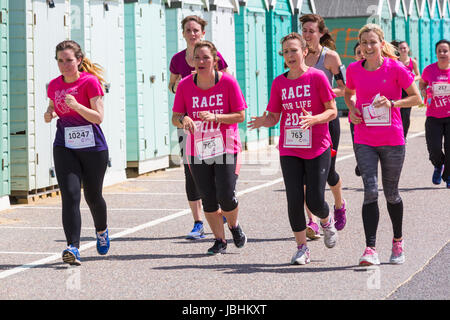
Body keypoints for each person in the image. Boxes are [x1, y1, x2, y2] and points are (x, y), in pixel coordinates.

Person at [248, 32, 338, 265]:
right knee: (294, 199)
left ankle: (327, 221)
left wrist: (315, 119)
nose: (290, 55)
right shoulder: (279, 82)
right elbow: (275, 117)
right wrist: (263, 121)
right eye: (286, 51)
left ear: (304, 52)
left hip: (317, 146)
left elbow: (333, 111)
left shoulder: (317, 78)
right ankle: (302, 248)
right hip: (290, 147)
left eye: (294, 50)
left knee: (315, 200)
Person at [344, 24, 421, 266]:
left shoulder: (395, 67)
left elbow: (417, 98)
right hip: (364, 137)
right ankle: (370, 248)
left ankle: (397, 241)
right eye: (364, 42)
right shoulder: (355, 69)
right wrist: (353, 109)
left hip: (392, 139)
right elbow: (349, 93)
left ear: (381, 43)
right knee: (369, 191)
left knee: (391, 193)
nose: (368, 47)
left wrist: (393, 104)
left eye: (373, 42)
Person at [171, 40, 247, 255]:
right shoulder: (185, 85)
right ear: (192, 61)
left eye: (205, 58)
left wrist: (216, 116)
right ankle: (219, 240)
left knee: (226, 195)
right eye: (197, 58)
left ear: (215, 61)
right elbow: (175, 117)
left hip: (225, 147)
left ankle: (233, 226)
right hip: (197, 149)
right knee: (209, 199)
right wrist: (184, 120)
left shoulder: (228, 83)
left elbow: (240, 115)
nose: (201, 61)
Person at [45, 40, 110, 266]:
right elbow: (54, 106)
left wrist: (78, 107)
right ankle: (73, 247)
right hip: (65, 146)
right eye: (60, 61)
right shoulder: (53, 85)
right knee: (71, 195)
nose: (65, 65)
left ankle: (101, 230)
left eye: (69, 60)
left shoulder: (90, 83)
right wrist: (49, 112)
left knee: (92, 196)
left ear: (79, 60)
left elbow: (98, 117)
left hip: (93, 147)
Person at [168, 15, 228, 240]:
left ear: (202, 33)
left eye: (196, 30)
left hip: (212, 123)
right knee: (191, 172)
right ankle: (197, 222)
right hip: (188, 122)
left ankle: (218, 210)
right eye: (188, 30)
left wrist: (206, 79)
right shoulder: (177, 59)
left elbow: (227, 82)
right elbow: (171, 86)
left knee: (215, 168)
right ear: (183, 33)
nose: (192, 34)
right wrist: (185, 84)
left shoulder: (213, 56)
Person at [300, 14, 347, 239]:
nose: (307, 35)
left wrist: (324, 95)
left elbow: (346, 89)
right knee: (306, 175)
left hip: (327, 120)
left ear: (320, 33)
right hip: (303, 121)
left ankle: (338, 204)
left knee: (328, 173)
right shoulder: (297, 56)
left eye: (311, 30)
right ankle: (312, 221)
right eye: (304, 30)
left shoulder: (330, 58)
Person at [419, 39, 450, 188]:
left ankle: (448, 175)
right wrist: (424, 90)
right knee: (434, 149)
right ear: (436, 53)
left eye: (445, 51)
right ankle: (439, 165)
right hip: (433, 116)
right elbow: (422, 83)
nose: (442, 53)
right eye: (440, 51)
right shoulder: (429, 70)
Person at [396, 41, 421, 138]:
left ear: (408, 49)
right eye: (401, 48)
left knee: (406, 115)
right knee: (397, 113)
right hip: (398, 90)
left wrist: (412, 79)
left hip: (408, 91)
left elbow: (419, 75)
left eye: (404, 48)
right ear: (398, 50)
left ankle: (404, 136)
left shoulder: (412, 62)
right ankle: (397, 135)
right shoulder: (395, 61)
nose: (403, 50)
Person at [350, 42, 365, 177]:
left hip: (377, 117)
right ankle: (362, 162)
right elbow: (350, 92)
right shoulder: (353, 70)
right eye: (358, 53)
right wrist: (352, 104)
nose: (361, 54)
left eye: (363, 51)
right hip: (357, 115)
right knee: (358, 147)